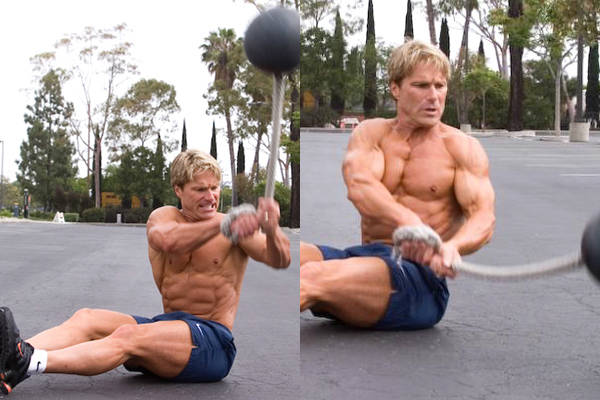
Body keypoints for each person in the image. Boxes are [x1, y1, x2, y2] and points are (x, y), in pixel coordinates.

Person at [0, 150, 290, 394]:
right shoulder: (167, 217)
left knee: (127, 335)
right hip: (168, 326)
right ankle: (9, 363)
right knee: (87, 317)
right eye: (200, 189)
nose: (211, 197)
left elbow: (280, 260)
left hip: (212, 342)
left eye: (215, 188)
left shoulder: (236, 229)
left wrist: (273, 229)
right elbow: (168, 240)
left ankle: (30, 361)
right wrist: (223, 224)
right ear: (178, 190)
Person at [300, 40, 496, 330]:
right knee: (294, 259)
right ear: (395, 88)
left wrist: (453, 246)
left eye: (439, 86)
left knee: (310, 276)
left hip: (419, 280)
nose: (433, 97)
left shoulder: (462, 147)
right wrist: (409, 220)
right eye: (421, 86)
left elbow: (484, 218)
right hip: (369, 258)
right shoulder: (372, 133)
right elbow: (360, 185)